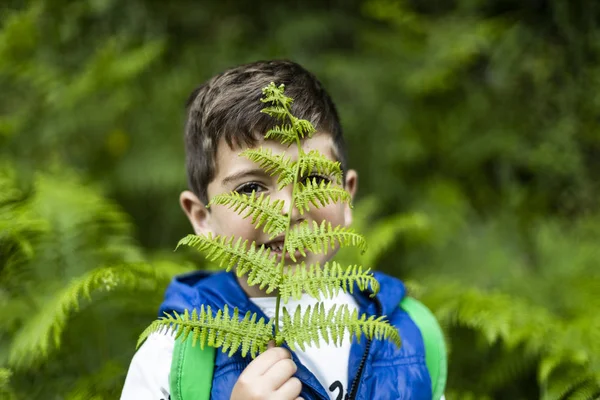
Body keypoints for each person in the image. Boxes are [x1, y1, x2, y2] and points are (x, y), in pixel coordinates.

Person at [121, 60, 443, 400]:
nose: (287, 211)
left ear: (346, 198)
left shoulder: (408, 336)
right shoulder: (171, 355)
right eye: (250, 188)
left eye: (315, 180)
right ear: (203, 218)